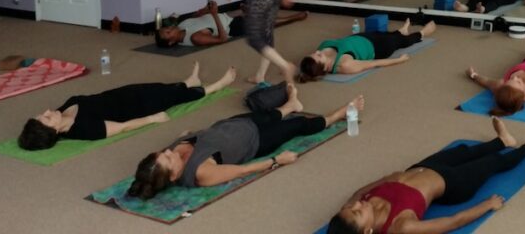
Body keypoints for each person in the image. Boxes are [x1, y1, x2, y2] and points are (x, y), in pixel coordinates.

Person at [326, 118, 525, 234]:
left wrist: (383, 180)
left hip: (423, 167)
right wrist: (488, 205)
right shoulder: (401, 226)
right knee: (496, 163)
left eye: (351, 206)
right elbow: (451, 222)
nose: (358, 203)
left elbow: (357, 192)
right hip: (453, 185)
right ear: (367, 232)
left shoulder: (357, 204)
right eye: (357, 211)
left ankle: (503, 141)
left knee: (465, 151)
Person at [128, 85, 363, 199]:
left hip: (231, 125)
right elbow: (242, 170)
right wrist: (276, 160)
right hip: (257, 141)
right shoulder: (200, 173)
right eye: (169, 159)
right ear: (172, 176)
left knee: (269, 115)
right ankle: (340, 113)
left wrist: (184, 135)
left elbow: (189, 139)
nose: (169, 152)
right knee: (299, 125)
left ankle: (290, 104)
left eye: (163, 153)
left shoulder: (172, 153)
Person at [17, 62, 237, 150]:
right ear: (54, 131)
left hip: (122, 94)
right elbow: (122, 127)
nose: (47, 111)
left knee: (159, 87)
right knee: (172, 97)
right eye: (46, 118)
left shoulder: (60, 111)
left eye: (42, 114)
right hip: (138, 106)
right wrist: (153, 119)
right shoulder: (85, 130)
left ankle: (189, 82)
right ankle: (217, 86)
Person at [298, 19, 437, 81]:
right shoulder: (345, 65)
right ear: (326, 66)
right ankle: (423, 32)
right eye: (319, 56)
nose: (317, 52)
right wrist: (398, 60)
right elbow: (374, 63)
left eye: (315, 54)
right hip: (379, 48)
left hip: (361, 38)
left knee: (385, 33)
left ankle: (401, 31)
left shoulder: (322, 52)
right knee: (402, 42)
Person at [156, 0, 308, 48]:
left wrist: (206, 9)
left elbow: (197, 16)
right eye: (168, 32)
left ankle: (249, 13)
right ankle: (293, 18)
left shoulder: (182, 25)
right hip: (231, 27)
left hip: (226, 16)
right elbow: (222, 39)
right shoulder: (195, 38)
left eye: (167, 28)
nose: (170, 28)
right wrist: (214, 14)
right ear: (171, 42)